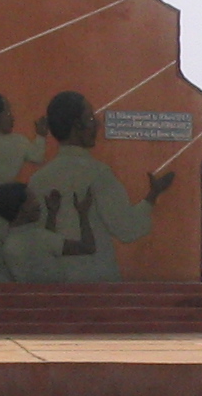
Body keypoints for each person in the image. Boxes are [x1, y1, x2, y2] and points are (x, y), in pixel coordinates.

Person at [25, 91, 175, 282]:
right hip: (97, 282)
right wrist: (152, 196)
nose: (97, 124)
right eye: (89, 118)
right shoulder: (98, 174)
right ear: (76, 125)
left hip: (54, 286)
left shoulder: (37, 180)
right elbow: (126, 228)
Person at [0, 184, 96, 283]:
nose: (38, 204)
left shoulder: (7, 243)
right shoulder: (38, 236)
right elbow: (88, 247)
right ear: (22, 207)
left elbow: (44, 246)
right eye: (32, 200)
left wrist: (52, 214)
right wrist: (83, 213)